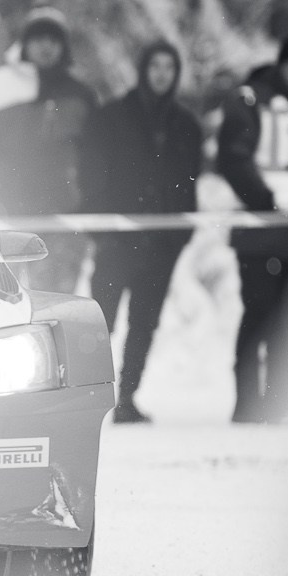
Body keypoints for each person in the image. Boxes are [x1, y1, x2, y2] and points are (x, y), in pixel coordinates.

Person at [79, 41, 204, 423]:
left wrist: (180, 235)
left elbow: (190, 181)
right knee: (101, 324)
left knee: (144, 324)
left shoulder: (186, 125)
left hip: (162, 242)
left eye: (169, 67)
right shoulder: (111, 117)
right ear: (143, 69)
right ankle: (88, 402)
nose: (162, 74)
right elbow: (91, 175)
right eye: (156, 66)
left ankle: (128, 399)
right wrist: (101, 228)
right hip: (116, 239)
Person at [214, 33, 288, 423]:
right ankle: (248, 406)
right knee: (259, 319)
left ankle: (278, 403)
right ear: (282, 65)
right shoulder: (252, 102)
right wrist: (267, 201)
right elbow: (234, 159)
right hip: (262, 232)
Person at [0, 8, 97, 292]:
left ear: (64, 47)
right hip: (4, 215)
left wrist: (88, 203)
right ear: (24, 43)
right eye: (39, 39)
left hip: (61, 218)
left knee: (55, 303)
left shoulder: (81, 95)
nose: (46, 46)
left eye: (54, 40)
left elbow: (95, 159)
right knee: (2, 300)